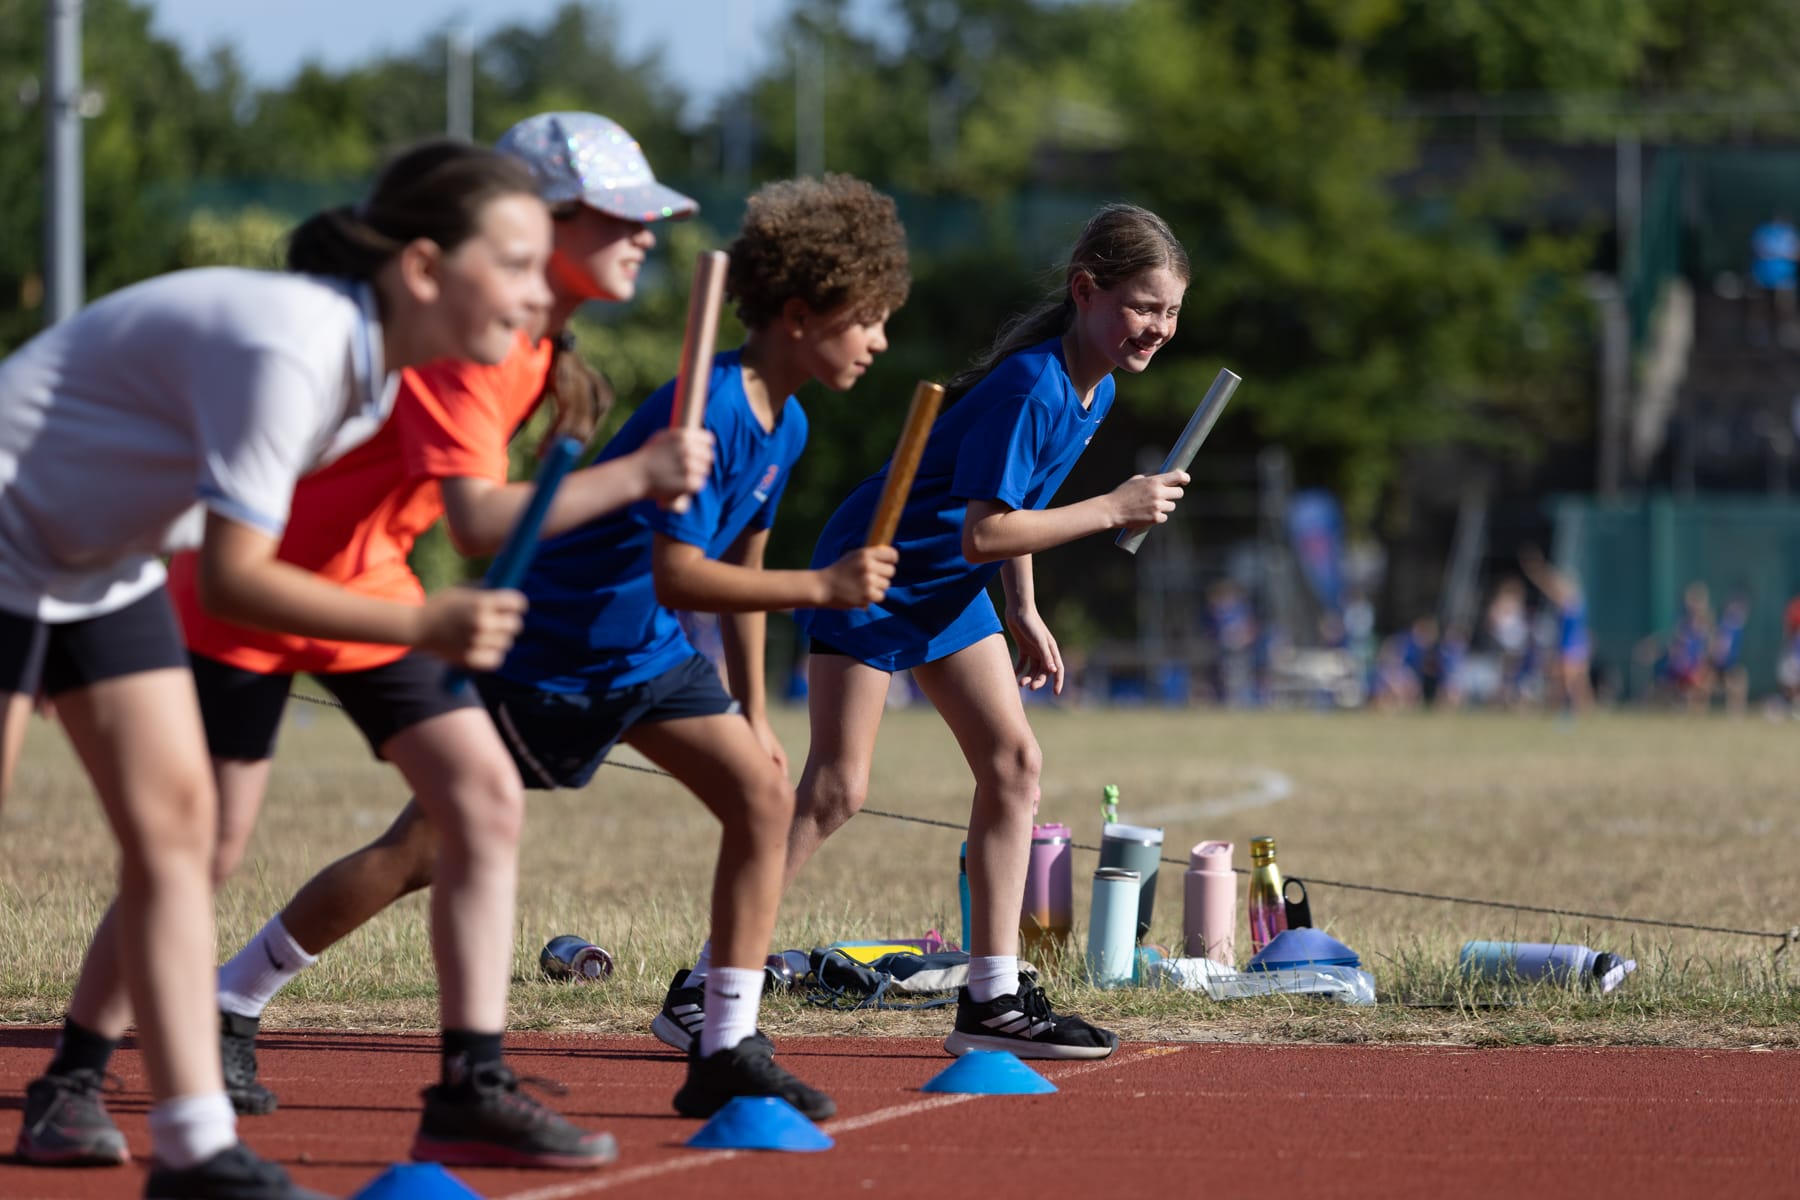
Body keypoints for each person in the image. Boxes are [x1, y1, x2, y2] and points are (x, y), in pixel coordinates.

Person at [13, 116, 710, 1174]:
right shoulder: (350, 343)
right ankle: (79, 1075)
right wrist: (636, 479)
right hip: (222, 579)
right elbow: (433, 529)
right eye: (521, 258)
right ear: (438, 261)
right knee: (200, 844)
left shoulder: (457, 346)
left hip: (301, 581)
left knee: (470, 798)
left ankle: (454, 1088)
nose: (534, 292)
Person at [215, 171, 909, 1123]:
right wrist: (822, 589)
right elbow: (682, 574)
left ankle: (725, 1044)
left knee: (759, 796)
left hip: (645, 652)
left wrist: (754, 711)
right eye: (867, 319)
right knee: (421, 851)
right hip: (554, 649)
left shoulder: (784, 422)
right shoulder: (708, 408)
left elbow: (743, 563)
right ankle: (234, 995)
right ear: (800, 314)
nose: (879, 341)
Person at [783, 203, 1191, 1060]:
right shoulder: (1032, 385)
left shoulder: (1096, 388)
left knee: (1013, 766)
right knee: (836, 791)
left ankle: (993, 998)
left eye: (1171, 312)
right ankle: (712, 976)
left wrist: (1023, 608)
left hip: (950, 585)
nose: (1158, 327)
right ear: (1086, 290)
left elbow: (1018, 509)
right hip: (876, 570)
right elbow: (983, 530)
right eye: (1143, 306)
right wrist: (1115, 506)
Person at [1519, 545, 1594, 714]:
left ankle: (1571, 711)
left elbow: (1550, 587)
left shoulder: (1572, 603)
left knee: (1568, 681)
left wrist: (1537, 571)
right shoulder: (1574, 602)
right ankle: (1578, 711)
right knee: (1574, 682)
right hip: (1572, 643)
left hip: (1572, 645)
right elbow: (1552, 586)